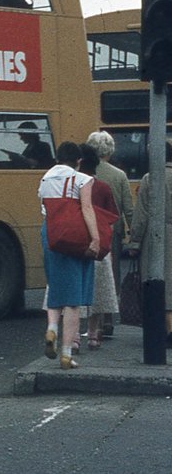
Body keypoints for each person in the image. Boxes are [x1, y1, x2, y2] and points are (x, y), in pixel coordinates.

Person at [38, 141, 100, 369]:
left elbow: (45, 210)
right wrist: (95, 238)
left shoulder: (45, 179)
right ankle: (66, 354)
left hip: (50, 233)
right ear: (79, 161)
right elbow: (86, 209)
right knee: (73, 300)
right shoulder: (82, 179)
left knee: (55, 286)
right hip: (74, 235)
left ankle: (51, 330)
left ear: (57, 158)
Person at [86, 130, 134, 337]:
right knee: (110, 273)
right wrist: (135, 236)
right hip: (111, 230)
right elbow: (128, 209)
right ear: (110, 150)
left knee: (89, 273)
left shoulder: (84, 173)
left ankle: (90, 321)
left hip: (87, 229)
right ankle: (107, 319)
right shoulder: (119, 175)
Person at [127, 138, 172, 348]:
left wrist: (134, 243)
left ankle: (165, 328)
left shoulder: (150, 178)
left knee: (158, 283)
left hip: (157, 236)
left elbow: (142, 214)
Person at [79, 144, 118, 349]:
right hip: (99, 244)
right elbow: (112, 217)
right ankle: (93, 334)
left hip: (75, 244)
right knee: (99, 290)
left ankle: (75, 336)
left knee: (75, 288)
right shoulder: (103, 187)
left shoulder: (71, 186)